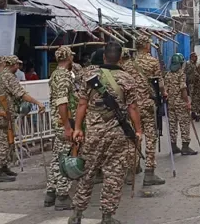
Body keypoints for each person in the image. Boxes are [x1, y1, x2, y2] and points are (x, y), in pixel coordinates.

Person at [69, 42, 143, 224]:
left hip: (93, 134)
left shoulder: (89, 76)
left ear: (103, 57)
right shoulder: (127, 79)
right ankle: (107, 217)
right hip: (118, 135)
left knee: (87, 174)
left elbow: (82, 104)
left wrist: (78, 128)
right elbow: (133, 107)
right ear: (120, 58)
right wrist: (139, 130)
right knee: (114, 175)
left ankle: (76, 215)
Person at [0, 55, 45, 182]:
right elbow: (21, 94)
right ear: (13, 65)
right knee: (3, 142)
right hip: (3, 114)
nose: (18, 67)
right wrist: (38, 103)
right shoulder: (8, 77)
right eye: (17, 64)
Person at [125, 35, 166, 186]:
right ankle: (149, 172)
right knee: (150, 137)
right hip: (148, 106)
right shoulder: (152, 62)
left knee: (133, 137)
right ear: (147, 46)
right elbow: (160, 83)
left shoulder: (128, 64)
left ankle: (131, 171)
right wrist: (163, 93)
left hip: (131, 107)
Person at [45, 47, 76, 210]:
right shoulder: (64, 76)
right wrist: (67, 126)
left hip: (58, 121)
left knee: (57, 158)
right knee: (65, 157)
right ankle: (62, 196)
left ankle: (50, 192)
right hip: (63, 121)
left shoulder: (55, 74)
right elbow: (62, 102)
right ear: (69, 57)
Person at [165, 53, 197, 156]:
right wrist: (187, 102)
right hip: (180, 104)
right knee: (184, 124)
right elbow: (183, 89)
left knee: (172, 126)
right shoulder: (181, 74)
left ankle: (173, 146)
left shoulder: (168, 74)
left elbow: (165, 90)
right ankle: (185, 147)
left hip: (171, 104)